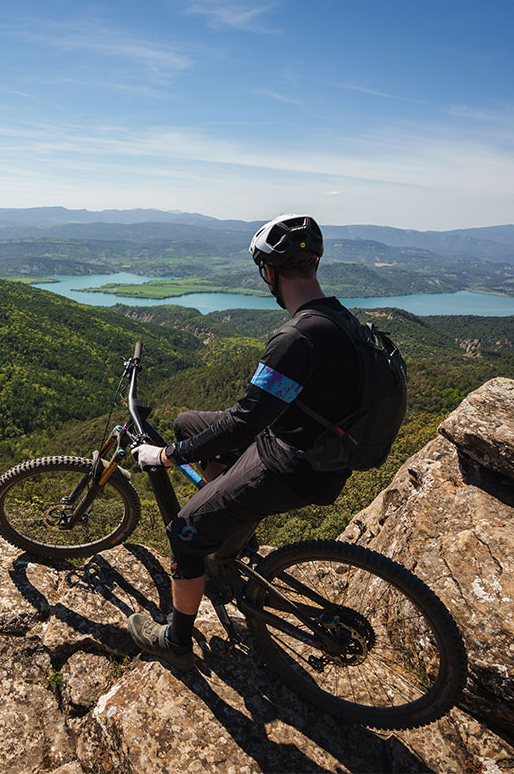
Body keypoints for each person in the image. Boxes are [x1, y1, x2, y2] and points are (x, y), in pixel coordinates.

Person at [126, 214, 361, 669]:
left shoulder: (295, 338)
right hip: (314, 450)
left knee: (184, 533)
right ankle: (227, 539)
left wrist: (167, 457)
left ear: (269, 272)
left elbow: (243, 424)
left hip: (292, 466)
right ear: (312, 266)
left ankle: (176, 639)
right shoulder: (338, 319)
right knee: (188, 421)